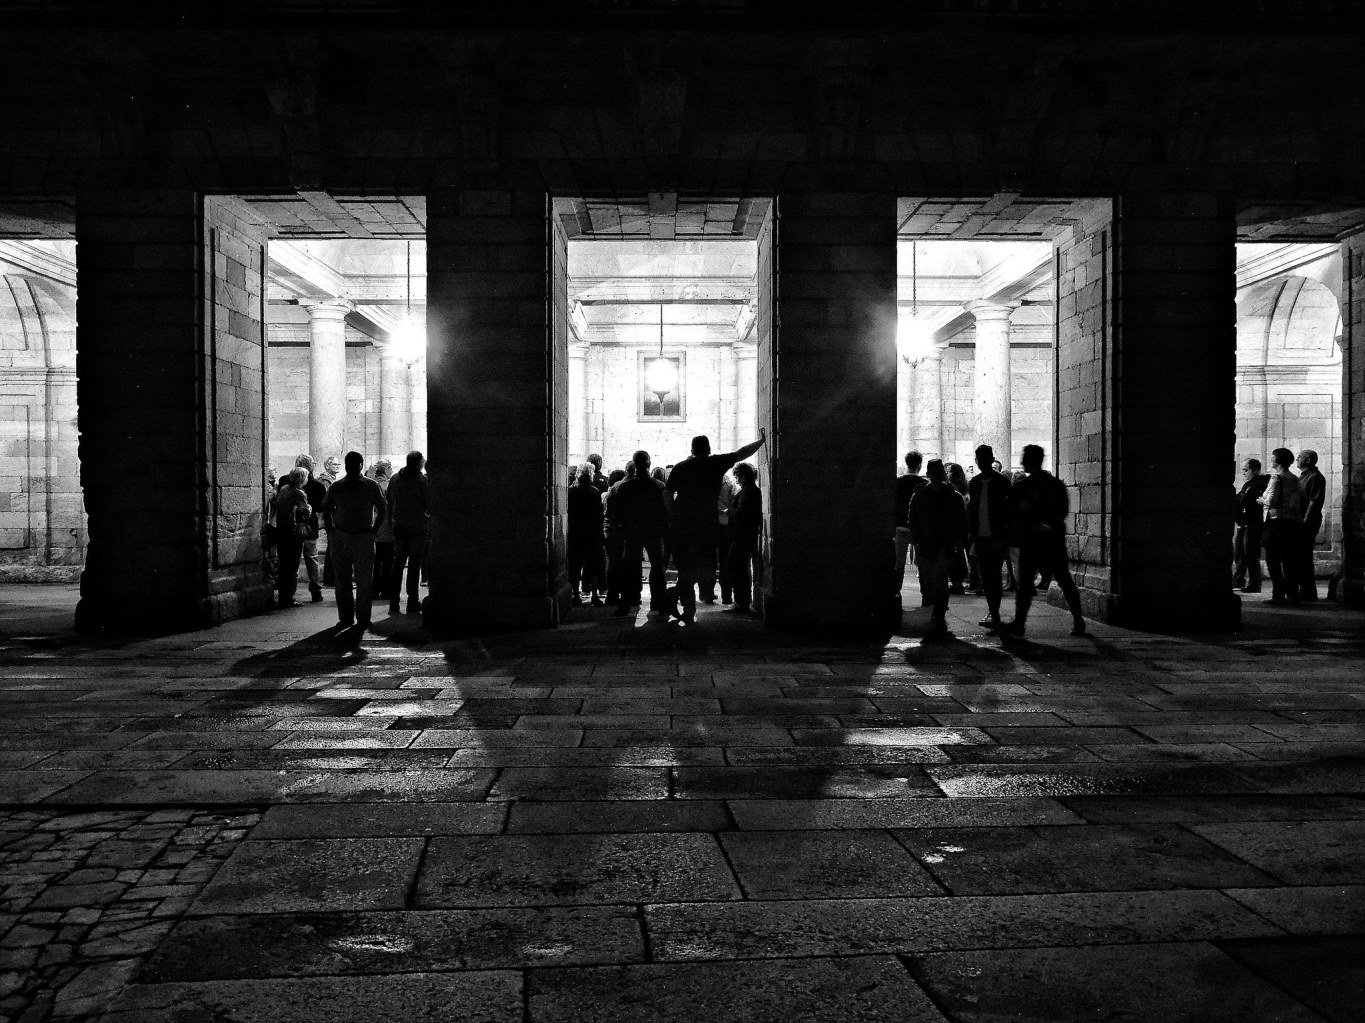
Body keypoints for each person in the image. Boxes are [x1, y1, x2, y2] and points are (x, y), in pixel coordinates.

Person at [665, 429, 767, 624]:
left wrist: (673, 517)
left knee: (686, 566)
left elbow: (667, 494)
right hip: (706, 524)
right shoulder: (715, 463)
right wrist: (761, 442)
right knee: (705, 567)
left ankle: (685, 605)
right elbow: (742, 453)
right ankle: (676, 598)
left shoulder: (680, 467)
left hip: (684, 525)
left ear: (692, 449)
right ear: (708, 449)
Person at [1005, 444, 1087, 637]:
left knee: (1058, 580)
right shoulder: (1046, 485)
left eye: (1025, 458)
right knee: (1033, 583)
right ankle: (1021, 622)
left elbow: (1058, 512)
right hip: (1041, 540)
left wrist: (1036, 526)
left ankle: (1076, 618)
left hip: (1045, 541)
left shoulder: (1036, 486)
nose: (1022, 462)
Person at [321, 451, 387, 629]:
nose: (352, 468)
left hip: (359, 534)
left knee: (360, 580)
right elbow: (326, 509)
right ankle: (350, 617)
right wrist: (331, 531)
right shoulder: (340, 486)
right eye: (350, 464)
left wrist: (373, 530)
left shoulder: (368, 485)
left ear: (360, 465)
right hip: (348, 535)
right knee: (350, 580)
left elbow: (382, 508)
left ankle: (358, 617)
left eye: (354, 464)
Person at [908, 459, 967, 636]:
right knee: (938, 579)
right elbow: (961, 519)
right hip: (941, 542)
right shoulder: (952, 495)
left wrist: (917, 538)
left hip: (931, 542)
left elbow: (913, 518)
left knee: (933, 579)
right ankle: (939, 610)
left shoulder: (920, 495)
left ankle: (937, 610)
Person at [612, 450, 670, 616]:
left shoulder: (625, 487)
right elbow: (664, 511)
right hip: (654, 531)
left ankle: (628, 601)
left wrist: (619, 530)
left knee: (629, 567)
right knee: (658, 566)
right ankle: (657, 602)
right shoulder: (659, 486)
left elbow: (617, 512)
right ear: (648, 464)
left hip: (632, 531)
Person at [967, 444, 1013, 630]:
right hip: (981, 536)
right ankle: (993, 611)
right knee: (986, 576)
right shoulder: (975, 482)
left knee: (993, 575)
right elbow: (973, 511)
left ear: (990, 459)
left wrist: (1003, 536)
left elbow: (1008, 512)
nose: (981, 462)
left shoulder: (1002, 483)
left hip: (996, 536)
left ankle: (994, 612)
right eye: (979, 459)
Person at [387, 450, 430, 615]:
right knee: (414, 565)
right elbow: (428, 502)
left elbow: (389, 501)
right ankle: (412, 601)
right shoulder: (422, 480)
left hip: (399, 526)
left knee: (398, 564)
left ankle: (394, 602)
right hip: (418, 527)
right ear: (419, 463)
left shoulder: (395, 478)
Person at [1260, 447, 1303, 606]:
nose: (1271, 460)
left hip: (1276, 523)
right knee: (1290, 560)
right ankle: (1292, 594)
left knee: (1273, 560)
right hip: (1292, 523)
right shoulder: (1293, 478)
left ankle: (1278, 595)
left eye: (1273, 458)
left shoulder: (1276, 478)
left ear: (1277, 460)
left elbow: (1270, 500)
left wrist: (1261, 500)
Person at [723, 463, 762, 615]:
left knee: (734, 566)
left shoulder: (747, 491)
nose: (737, 480)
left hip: (742, 535)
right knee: (739, 567)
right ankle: (742, 601)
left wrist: (729, 511)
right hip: (746, 534)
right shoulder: (752, 490)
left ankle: (741, 602)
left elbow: (741, 512)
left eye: (738, 476)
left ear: (744, 476)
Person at [273, 468, 313, 609]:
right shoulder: (299, 493)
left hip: (281, 531)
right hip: (293, 533)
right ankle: (288, 598)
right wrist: (310, 508)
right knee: (293, 567)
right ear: (302, 479)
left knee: (283, 565)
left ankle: (282, 596)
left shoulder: (283, 489)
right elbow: (305, 511)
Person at [567, 463, 606, 606]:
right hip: (592, 534)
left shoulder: (570, 491)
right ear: (591, 475)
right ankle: (594, 595)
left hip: (575, 533)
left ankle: (576, 595)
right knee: (593, 565)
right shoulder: (595, 492)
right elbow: (599, 515)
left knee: (575, 564)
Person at [1233, 458, 1270, 593]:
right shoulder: (1249, 484)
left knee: (1251, 554)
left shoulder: (1260, 484)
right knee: (1240, 554)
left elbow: (1251, 504)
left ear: (1254, 470)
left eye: (1245, 470)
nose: (1243, 473)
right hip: (1243, 523)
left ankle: (1255, 583)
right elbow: (1240, 499)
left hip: (1253, 524)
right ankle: (1238, 580)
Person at [292, 454, 326, 602]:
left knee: (292, 559)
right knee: (312, 559)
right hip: (309, 526)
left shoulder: (286, 482)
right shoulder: (318, 486)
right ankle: (316, 592)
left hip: (292, 527)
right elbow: (321, 507)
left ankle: (289, 593)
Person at [893, 451, 927, 596]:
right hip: (918, 528)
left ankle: (896, 591)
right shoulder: (924, 484)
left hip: (900, 526)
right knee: (923, 563)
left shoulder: (898, 482)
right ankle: (926, 593)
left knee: (898, 563)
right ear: (919, 464)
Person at [1296, 449, 1325, 602]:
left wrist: (1305, 523)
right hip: (1300, 521)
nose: (1296, 460)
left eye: (1299, 457)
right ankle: (1304, 589)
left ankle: (1308, 592)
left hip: (1307, 523)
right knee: (1300, 556)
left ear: (1307, 460)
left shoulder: (1315, 478)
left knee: (1304, 557)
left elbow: (1314, 502)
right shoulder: (1303, 477)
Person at [707, 469, 738, 605]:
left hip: (711, 525)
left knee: (709, 560)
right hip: (725, 525)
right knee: (725, 561)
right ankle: (726, 596)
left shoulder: (707, 483)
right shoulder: (730, 484)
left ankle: (707, 594)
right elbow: (733, 503)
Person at [602, 467, 628, 606]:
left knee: (611, 561)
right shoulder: (621, 490)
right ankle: (620, 593)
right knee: (621, 562)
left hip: (608, 530)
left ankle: (612, 594)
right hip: (618, 530)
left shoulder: (607, 494)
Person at [369, 460, 394, 603]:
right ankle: (385, 590)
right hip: (385, 529)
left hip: (373, 528)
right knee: (387, 561)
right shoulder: (386, 486)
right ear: (386, 470)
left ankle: (373, 590)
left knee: (376, 561)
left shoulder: (371, 485)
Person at [946, 462, 970, 595]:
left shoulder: (954, 491)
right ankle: (958, 582)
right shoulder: (961, 488)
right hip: (960, 526)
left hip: (957, 527)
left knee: (956, 556)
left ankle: (957, 583)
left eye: (948, 471)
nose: (946, 473)